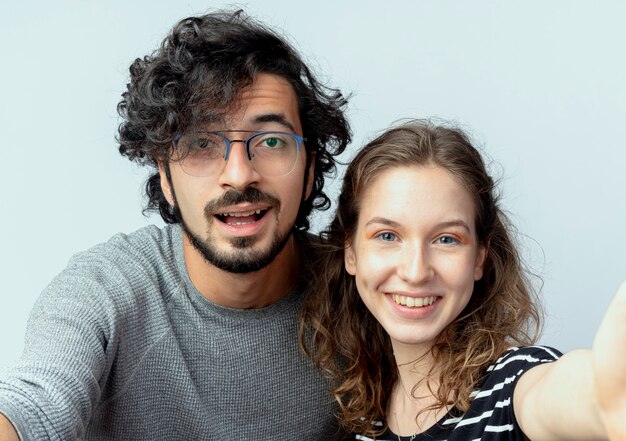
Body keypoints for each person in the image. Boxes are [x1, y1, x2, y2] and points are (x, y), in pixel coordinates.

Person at [0, 10, 351, 440]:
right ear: (165, 177)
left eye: (272, 141)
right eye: (202, 143)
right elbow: (36, 403)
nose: (239, 175)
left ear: (310, 168)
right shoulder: (107, 287)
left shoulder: (362, 291)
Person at [301, 120, 626, 440]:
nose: (416, 272)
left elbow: (563, 394)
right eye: (387, 235)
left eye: (446, 239)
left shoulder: (513, 386)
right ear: (351, 252)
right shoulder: (361, 419)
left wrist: (599, 399)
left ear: (479, 258)